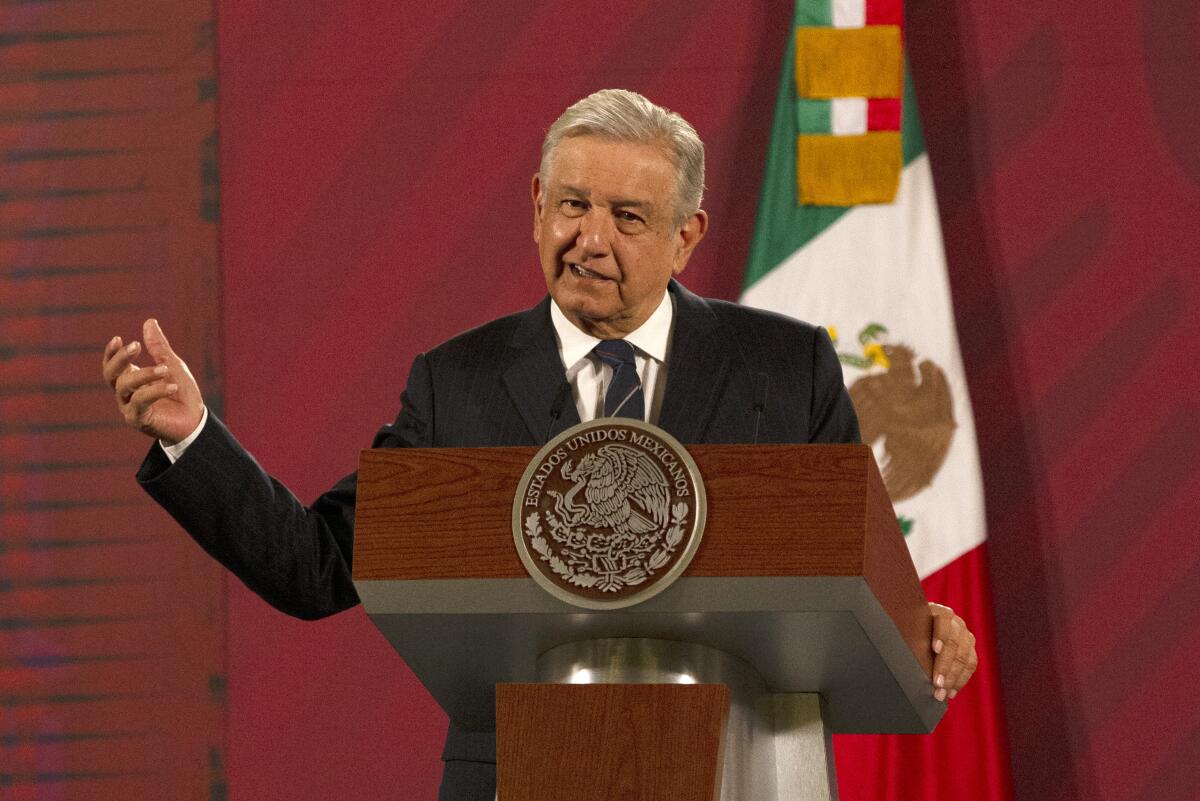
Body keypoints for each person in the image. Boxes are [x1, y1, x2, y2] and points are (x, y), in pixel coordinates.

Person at [102, 89, 978, 800]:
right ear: (536, 206)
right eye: (571, 205)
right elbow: (317, 564)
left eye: (627, 216)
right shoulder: (459, 383)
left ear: (686, 237)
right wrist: (193, 438)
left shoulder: (785, 368)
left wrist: (922, 625)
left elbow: (851, 565)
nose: (589, 239)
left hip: (744, 769)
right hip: (516, 779)